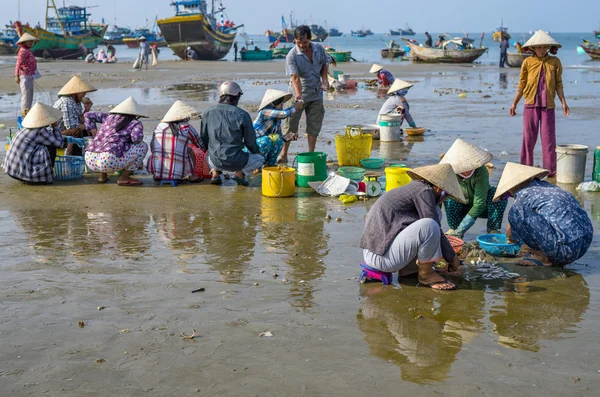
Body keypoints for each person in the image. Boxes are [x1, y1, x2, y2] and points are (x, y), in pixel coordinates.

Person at [360, 163, 467, 291]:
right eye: (446, 195)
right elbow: (434, 228)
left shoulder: (415, 189)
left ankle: (409, 270)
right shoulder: (424, 191)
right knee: (430, 225)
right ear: (439, 189)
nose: (444, 199)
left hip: (374, 252)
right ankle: (426, 275)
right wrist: (452, 258)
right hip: (381, 258)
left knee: (434, 216)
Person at [493, 162, 593, 266]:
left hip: (566, 251)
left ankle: (544, 258)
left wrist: (511, 235)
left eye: (508, 194)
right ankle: (550, 254)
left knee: (514, 214)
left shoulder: (523, 195)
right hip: (585, 243)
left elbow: (510, 232)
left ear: (512, 187)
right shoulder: (549, 187)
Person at [509, 30, 569, 177]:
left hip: (548, 106)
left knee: (549, 140)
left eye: (544, 47)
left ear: (548, 47)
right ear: (533, 48)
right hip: (530, 103)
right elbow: (522, 84)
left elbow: (559, 84)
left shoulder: (555, 62)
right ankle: (526, 169)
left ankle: (550, 172)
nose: (541, 50)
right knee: (528, 139)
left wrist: (563, 102)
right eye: (539, 47)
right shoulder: (527, 62)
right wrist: (514, 103)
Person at [280, 25, 329, 161]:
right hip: (297, 94)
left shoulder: (318, 48)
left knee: (314, 124)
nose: (302, 45)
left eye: (305, 42)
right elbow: (295, 78)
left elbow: (325, 64)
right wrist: (298, 94)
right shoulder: (292, 55)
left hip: (316, 94)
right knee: (290, 125)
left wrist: (324, 80)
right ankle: (284, 154)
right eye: (298, 42)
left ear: (310, 39)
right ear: (295, 40)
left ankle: (311, 153)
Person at [200, 81, 264, 186]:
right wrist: (257, 151)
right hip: (236, 161)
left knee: (207, 153)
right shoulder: (243, 115)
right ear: (236, 97)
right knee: (260, 158)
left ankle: (215, 173)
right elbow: (250, 142)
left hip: (214, 160)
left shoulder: (208, 112)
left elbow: (204, 138)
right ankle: (239, 174)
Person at [440, 138, 508, 237]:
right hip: (460, 205)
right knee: (448, 197)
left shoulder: (481, 171)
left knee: (498, 196)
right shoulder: (450, 173)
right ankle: (453, 228)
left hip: (482, 205)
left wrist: (462, 229)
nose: (467, 169)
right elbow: (437, 197)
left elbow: (479, 203)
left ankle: (492, 229)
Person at [4, 102, 83, 184]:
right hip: (21, 170)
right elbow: (59, 144)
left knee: (49, 143)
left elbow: (51, 137)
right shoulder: (40, 130)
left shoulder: (26, 128)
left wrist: (70, 139)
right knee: (50, 147)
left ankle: (27, 176)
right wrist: (55, 126)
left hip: (11, 169)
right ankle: (39, 178)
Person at [84, 97, 148, 186]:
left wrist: (94, 132)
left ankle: (102, 177)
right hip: (108, 160)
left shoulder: (108, 117)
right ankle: (124, 177)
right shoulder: (135, 123)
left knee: (106, 146)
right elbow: (136, 139)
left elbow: (87, 115)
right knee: (143, 146)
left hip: (90, 158)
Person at [147, 100, 203, 183]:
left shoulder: (159, 126)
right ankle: (192, 176)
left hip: (157, 171)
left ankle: (158, 174)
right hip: (179, 173)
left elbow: (152, 147)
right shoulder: (186, 127)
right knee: (190, 150)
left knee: (156, 152)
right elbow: (199, 144)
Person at [252, 89, 302, 167]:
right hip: (252, 146)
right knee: (266, 140)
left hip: (263, 145)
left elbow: (279, 137)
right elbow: (284, 114)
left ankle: (269, 166)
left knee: (278, 141)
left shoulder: (277, 120)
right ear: (272, 103)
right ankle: (256, 166)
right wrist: (295, 107)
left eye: (282, 102)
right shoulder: (265, 111)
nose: (282, 104)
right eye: (279, 102)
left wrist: (289, 136)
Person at [53, 75, 97, 155]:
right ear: (76, 93)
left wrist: (87, 109)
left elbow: (80, 120)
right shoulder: (67, 102)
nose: (84, 95)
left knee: (89, 128)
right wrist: (89, 127)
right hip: (56, 133)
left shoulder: (76, 102)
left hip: (65, 131)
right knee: (76, 131)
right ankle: (71, 158)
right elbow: (72, 127)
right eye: (83, 92)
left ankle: (88, 154)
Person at [14, 33, 39, 116]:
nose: (31, 43)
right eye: (29, 41)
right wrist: (16, 75)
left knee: (30, 96)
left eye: (32, 41)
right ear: (24, 42)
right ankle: (24, 115)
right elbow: (18, 64)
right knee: (26, 97)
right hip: (25, 76)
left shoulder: (28, 51)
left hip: (30, 76)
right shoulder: (22, 52)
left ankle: (27, 113)